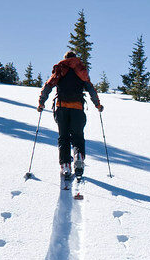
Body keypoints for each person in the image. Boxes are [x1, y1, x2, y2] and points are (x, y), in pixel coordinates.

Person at [38, 51, 103, 179]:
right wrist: (97, 105)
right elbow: (91, 89)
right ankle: (78, 156)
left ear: (65, 58)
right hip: (77, 109)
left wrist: (41, 102)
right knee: (78, 136)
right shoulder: (81, 70)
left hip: (62, 108)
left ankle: (65, 165)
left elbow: (48, 85)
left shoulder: (61, 68)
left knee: (64, 137)